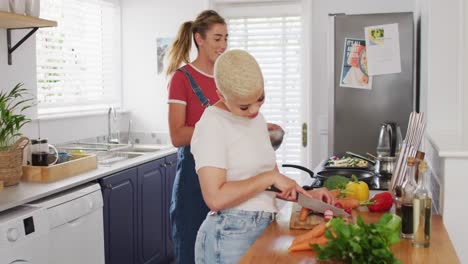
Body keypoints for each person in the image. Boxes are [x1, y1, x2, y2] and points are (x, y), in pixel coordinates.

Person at [191, 49, 335, 264]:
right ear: (221, 95)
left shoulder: (257, 120)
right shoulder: (211, 125)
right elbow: (215, 198)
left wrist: (307, 195)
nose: (254, 110)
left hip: (265, 224)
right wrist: (269, 177)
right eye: (244, 106)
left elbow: (269, 186)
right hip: (229, 234)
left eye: (260, 99)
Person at [166, 10, 228, 264]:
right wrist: (217, 129)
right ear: (199, 39)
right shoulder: (182, 79)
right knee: (191, 254)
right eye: (217, 39)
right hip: (193, 182)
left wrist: (260, 126)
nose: (223, 45)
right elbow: (177, 135)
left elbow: (233, 123)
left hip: (225, 179)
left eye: (226, 38)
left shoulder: (225, 79)